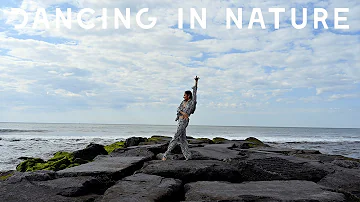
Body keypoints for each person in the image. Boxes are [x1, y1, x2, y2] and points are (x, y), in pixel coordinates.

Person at [162, 76, 199, 161]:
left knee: (176, 136)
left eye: (184, 95)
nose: (183, 96)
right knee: (182, 139)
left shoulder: (192, 102)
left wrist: (196, 82)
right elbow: (178, 109)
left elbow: (195, 92)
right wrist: (182, 113)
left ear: (188, 95)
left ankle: (165, 155)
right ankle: (188, 156)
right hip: (180, 120)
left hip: (184, 121)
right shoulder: (183, 102)